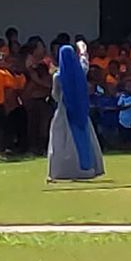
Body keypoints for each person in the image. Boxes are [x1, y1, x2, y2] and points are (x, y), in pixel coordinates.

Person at [49, 43, 105, 181]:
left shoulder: (58, 76)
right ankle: (86, 167)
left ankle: (65, 170)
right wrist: (82, 48)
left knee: (62, 142)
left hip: (64, 111)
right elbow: (85, 59)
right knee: (83, 138)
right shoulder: (81, 70)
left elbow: (55, 95)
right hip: (81, 110)